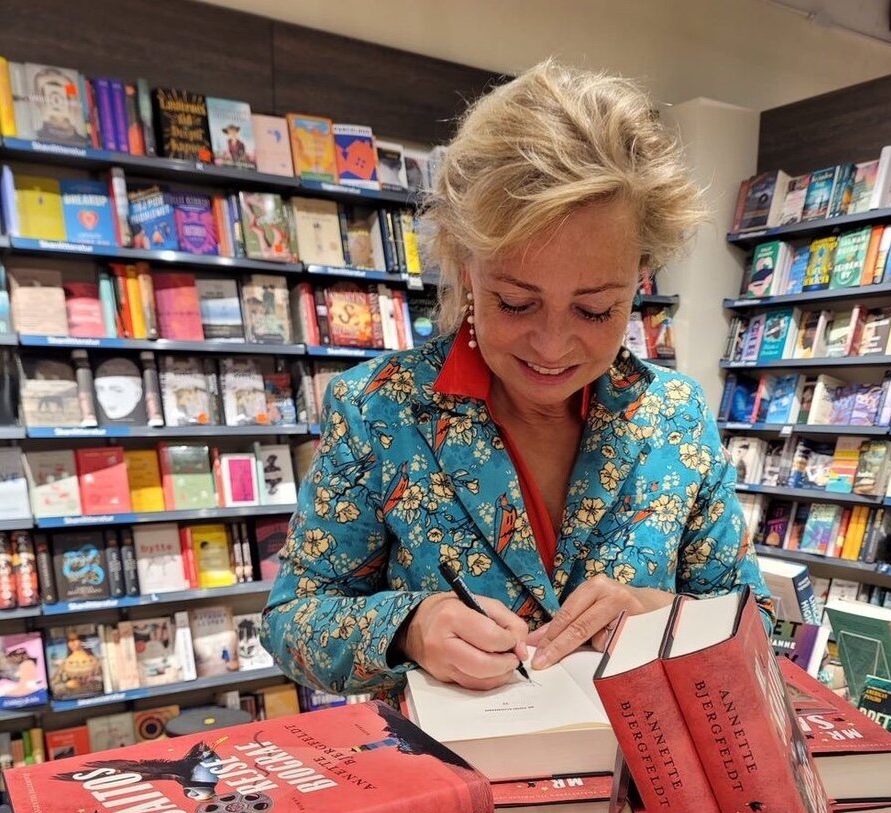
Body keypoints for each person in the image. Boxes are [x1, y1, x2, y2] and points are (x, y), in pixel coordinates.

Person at [262, 60, 773, 700]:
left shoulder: (675, 416)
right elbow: (293, 619)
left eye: (595, 309)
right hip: (456, 787)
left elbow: (759, 627)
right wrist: (407, 628)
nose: (553, 347)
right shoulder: (377, 410)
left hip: (642, 785)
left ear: (642, 275)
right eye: (514, 302)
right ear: (465, 264)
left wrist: (660, 618)